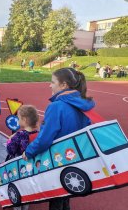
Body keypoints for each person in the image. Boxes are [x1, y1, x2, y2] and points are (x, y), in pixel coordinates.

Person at [22, 67, 95, 210]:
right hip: (75, 157)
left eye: (53, 82)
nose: (50, 85)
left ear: (64, 85)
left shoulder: (56, 106)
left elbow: (45, 138)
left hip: (58, 158)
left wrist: (29, 151)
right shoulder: (84, 105)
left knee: (56, 196)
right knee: (66, 194)